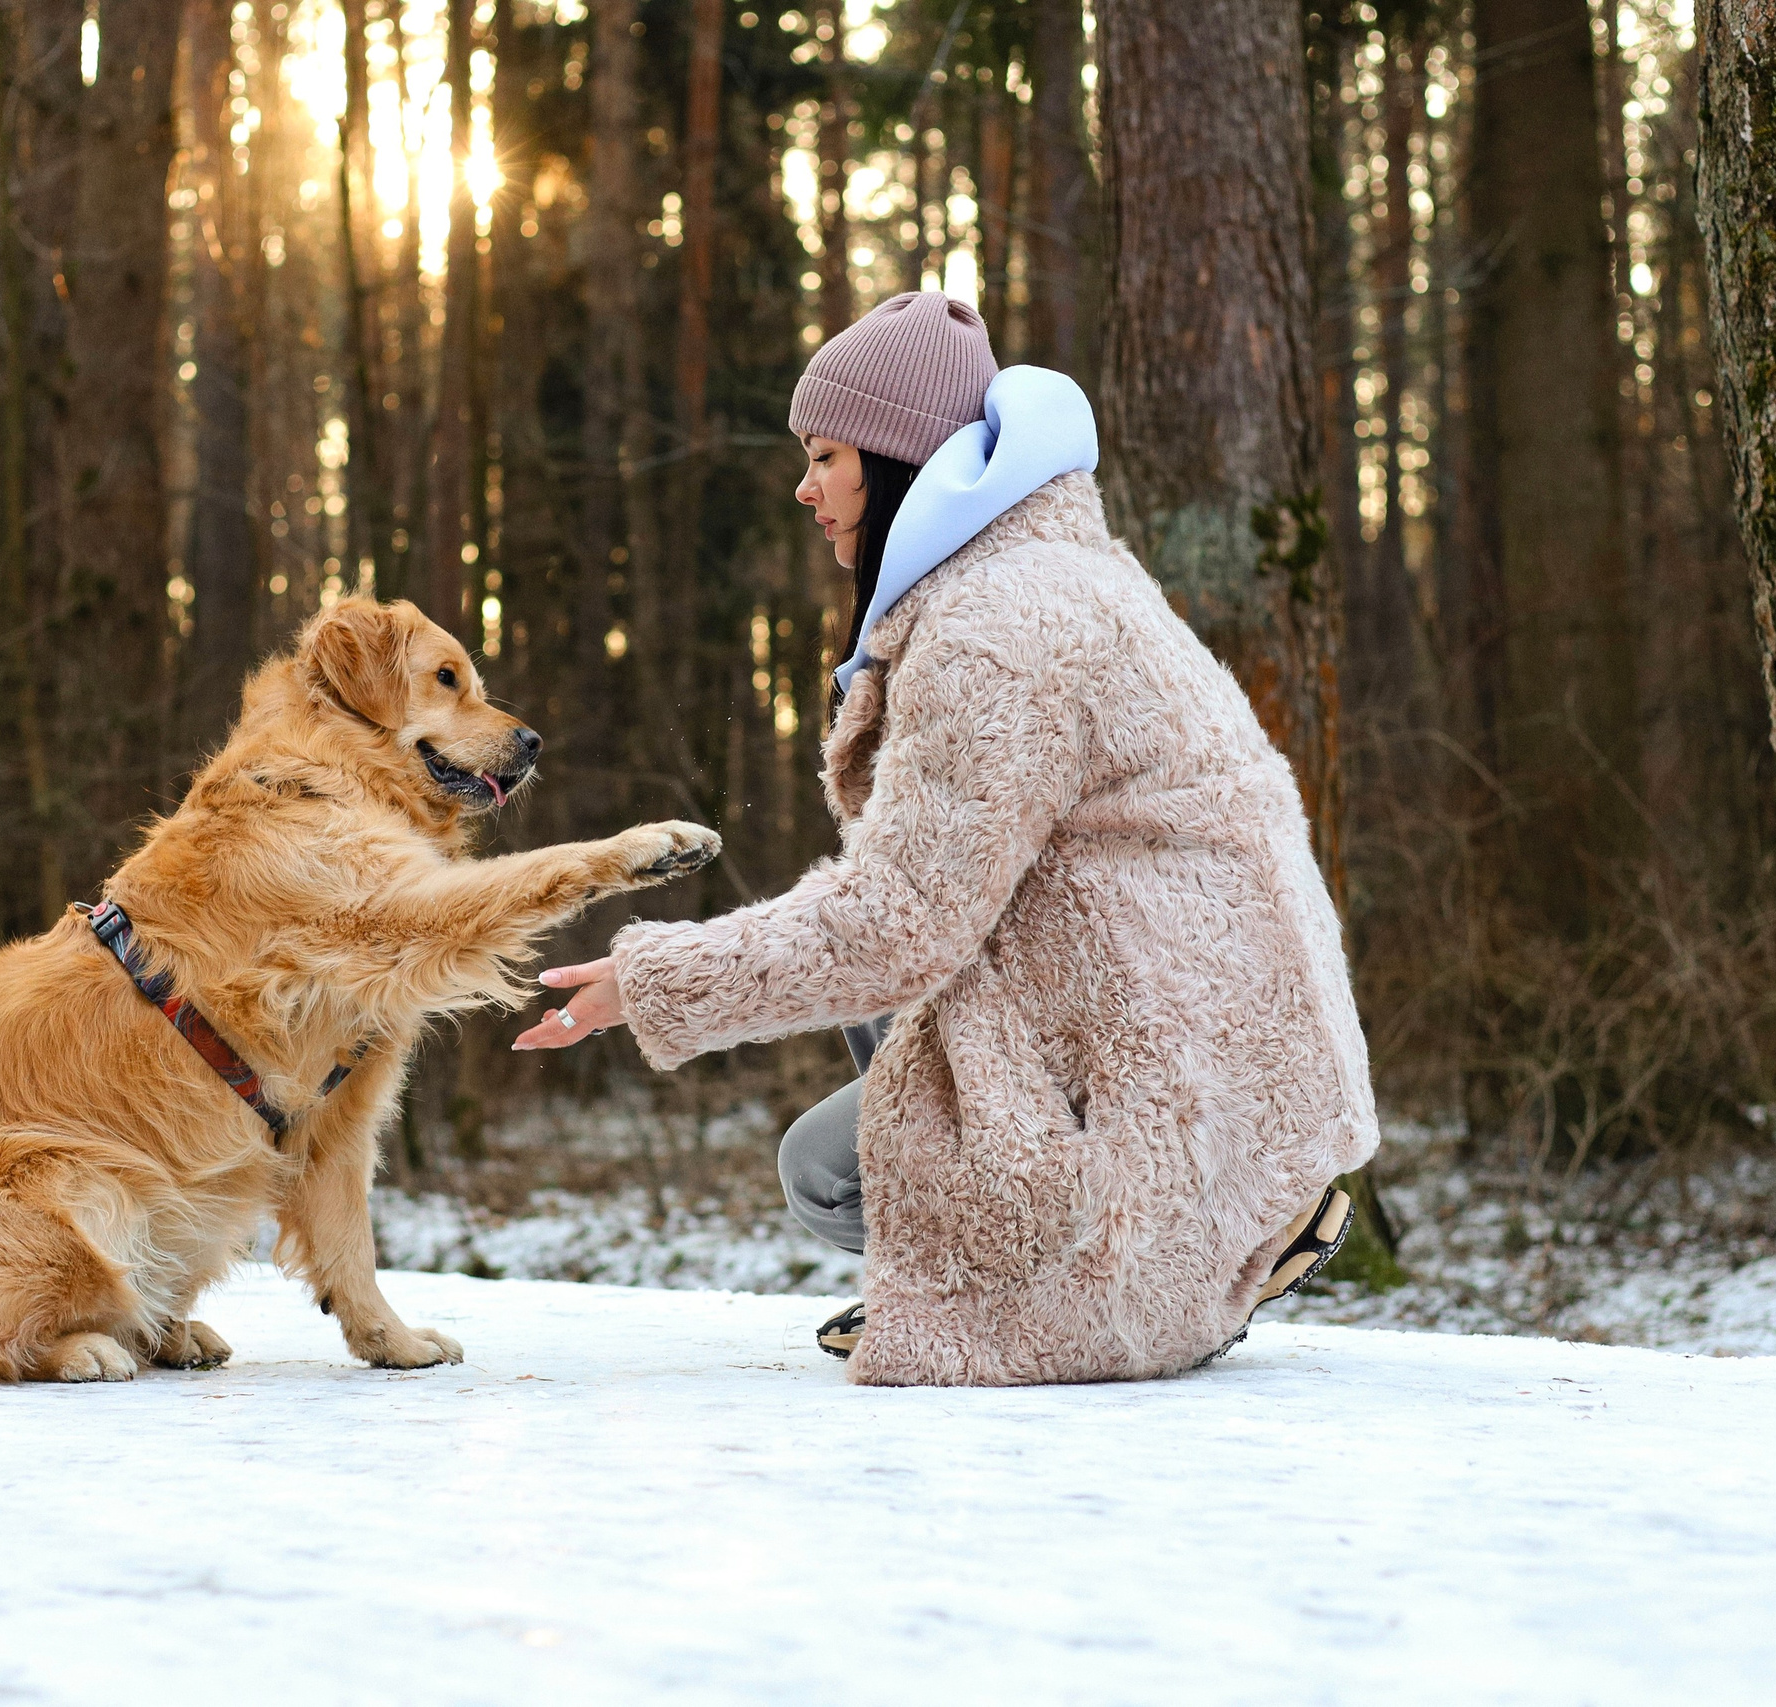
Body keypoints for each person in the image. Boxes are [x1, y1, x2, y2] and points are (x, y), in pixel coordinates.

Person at [513, 292, 1376, 1385]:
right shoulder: (1048, 573)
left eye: (825, 455)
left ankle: (1152, 1268)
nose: (804, 486)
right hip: (1219, 1050)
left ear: (896, 458)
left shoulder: (994, 627)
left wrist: (654, 980)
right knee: (884, 1020)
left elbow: (895, 924)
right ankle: (1176, 1233)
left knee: (826, 1174)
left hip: (1180, 1083)